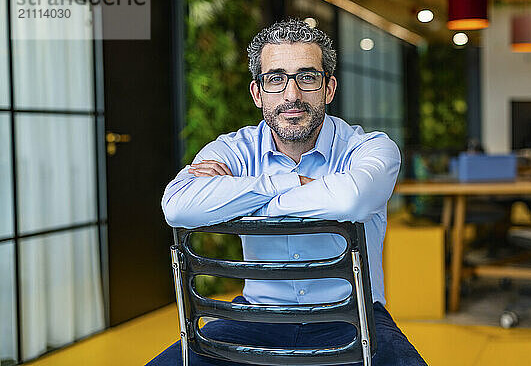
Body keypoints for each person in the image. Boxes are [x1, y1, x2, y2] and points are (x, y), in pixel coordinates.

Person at [149, 19, 427, 366]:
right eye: (276, 79)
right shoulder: (235, 149)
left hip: (351, 319)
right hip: (254, 320)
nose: (291, 95)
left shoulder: (370, 149)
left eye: (307, 77)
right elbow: (177, 206)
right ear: (257, 93)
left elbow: (350, 200)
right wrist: (289, 183)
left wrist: (240, 198)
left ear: (328, 88)